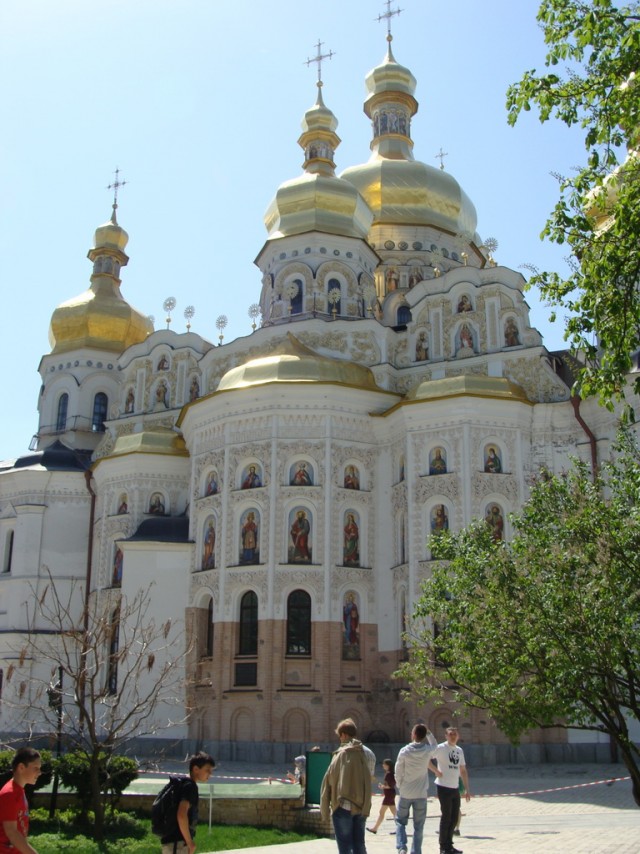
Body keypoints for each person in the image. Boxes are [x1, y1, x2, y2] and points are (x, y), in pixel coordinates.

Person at [320, 718, 372, 854]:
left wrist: (325, 808)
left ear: (343, 735)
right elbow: (369, 776)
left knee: (344, 847)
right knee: (359, 844)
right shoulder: (367, 753)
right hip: (362, 805)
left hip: (344, 805)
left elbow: (330, 779)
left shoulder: (341, 754)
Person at [394, 723, 437, 854]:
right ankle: (416, 851)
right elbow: (435, 746)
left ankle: (401, 847)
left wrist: (399, 784)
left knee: (400, 822)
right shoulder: (427, 750)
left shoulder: (405, 751)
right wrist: (429, 733)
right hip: (421, 793)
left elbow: (398, 769)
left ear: (413, 734)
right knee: (419, 826)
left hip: (406, 792)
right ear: (424, 736)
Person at [161, 751, 215, 854]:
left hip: (173, 842)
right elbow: (181, 814)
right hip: (178, 844)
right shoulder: (190, 787)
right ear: (196, 769)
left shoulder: (183, 784)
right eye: (207, 770)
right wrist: (190, 842)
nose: (210, 773)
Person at [427, 727, 470, 854]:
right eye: (450, 734)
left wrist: (467, 789)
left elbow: (463, 770)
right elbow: (427, 759)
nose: (453, 736)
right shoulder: (440, 748)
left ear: (458, 736)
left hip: (455, 787)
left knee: (454, 817)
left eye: (455, 734)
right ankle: (443, 847)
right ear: (446, 736)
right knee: (446, 816)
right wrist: (436, 771)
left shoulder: (459, 750)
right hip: (443, 786)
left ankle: (449, 845)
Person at [0, 746, 42, 854]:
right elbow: (12, 832)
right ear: (21, 767)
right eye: (36, 768)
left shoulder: (18, 791)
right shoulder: (9, 793)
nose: (39, 773)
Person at [367, 757, 396, 834]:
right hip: (390, 794)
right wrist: (383, 786)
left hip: (389, 795)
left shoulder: (389, 774)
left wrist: (382, 786)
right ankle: (400, 829)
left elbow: (390, 785)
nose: (383, 765)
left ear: (388, 765)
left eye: (384, 764)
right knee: (394, 813)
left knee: (381, 812)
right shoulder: (390, 773)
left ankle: (375, 828)